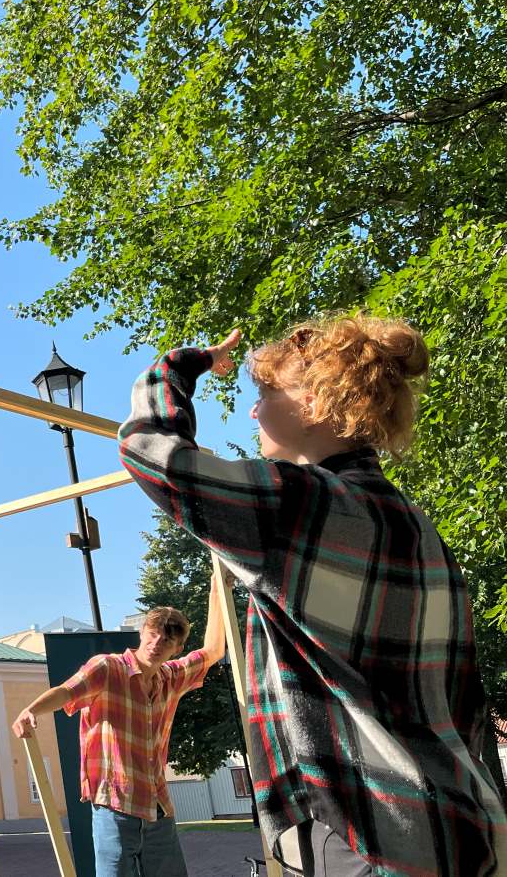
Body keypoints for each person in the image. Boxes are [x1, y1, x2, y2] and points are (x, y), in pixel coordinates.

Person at [118, 315, 507, 876]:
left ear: (318, 402)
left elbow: (150, 451)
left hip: (364, 834)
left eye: (265, 392)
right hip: (458, 829)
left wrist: (179, 366)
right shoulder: (418, 530)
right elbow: (463, 701)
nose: (253, 410)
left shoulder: (298, 507)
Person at [12, 578, 227, 877]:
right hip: (114, 807)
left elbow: (213, 650)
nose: (156, 644)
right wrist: (31, 709)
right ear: (142, 633)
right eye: (152, 635)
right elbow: (66, 691)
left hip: (157, 809)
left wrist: (217, 586)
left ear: (176, 648)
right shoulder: (108, 668)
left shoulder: (172, 678)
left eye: (166, 641)